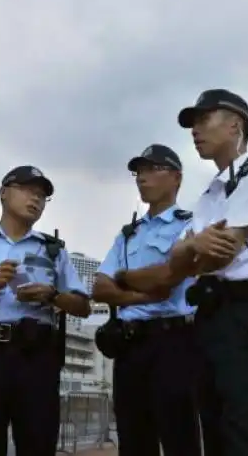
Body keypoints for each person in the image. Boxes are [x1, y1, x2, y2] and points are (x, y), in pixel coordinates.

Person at [116, 89, 248, 455]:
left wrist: (189, 252)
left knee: (242, 427)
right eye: (192, 124)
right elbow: (172, 270)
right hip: (210, 315)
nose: (195, 130)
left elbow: (220, 255)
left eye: (203, 120)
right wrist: (191, 247)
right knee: (212, 424)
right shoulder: (208, 197)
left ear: (235, 124)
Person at [0, 165, 91, 456]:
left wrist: (53, 295)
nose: (35, 199)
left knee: (39, 443)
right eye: (27, 190)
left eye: (42, 196)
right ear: (3, 193)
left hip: (37, 356)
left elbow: (83, 306)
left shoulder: (54, 250)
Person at [92, 144, 201, 456]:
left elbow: (169, 277)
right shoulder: (128, 234)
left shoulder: (189, 224)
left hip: (174, 341)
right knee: (133, 438)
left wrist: (123, 277)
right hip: (129, 345)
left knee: (179, 436)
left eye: (153, 169)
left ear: (176, 177)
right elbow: (99, 287)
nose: (142, 177)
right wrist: (141, 292)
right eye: (139, 171)